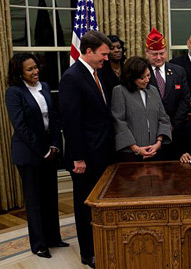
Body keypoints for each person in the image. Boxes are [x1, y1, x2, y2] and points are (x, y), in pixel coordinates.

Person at [5, 53, 69, 259]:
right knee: (35, 201)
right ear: (19, 73)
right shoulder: (14, 93)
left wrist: (54, 146)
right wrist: (43, 150)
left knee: (50, 197)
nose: (36, 72)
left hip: (50, 151)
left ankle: (54, 238)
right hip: (29, 155)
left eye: (36, 67)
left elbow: (55, 118)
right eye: (30, 69)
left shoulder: (45, 87)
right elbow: (21, 127)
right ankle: (39, 244)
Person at [59, 31, 114, 268]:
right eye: (103, 54)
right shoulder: (72, 77)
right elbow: (70, 121)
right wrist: (79, 158)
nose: (106, 59)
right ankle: (88, 253)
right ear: (89, 51)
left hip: (101, 153)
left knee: (98, 203)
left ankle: (101, 244)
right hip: (85, 158)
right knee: (85, 205)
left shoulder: (95, 74)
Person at [111, 56, 172, 161]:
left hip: (155, 151)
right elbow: (119, 122)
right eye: (142, 78)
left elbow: (163, 118)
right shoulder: (120, 91)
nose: (147, 80)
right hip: (130, 154)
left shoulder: (153, 90)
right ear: (131, 77)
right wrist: (136, 149)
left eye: (148, 75)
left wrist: (158, 142)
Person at [145, 27, 190, 160]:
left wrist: (173, 124)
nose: (159, 57)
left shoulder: (178, 71)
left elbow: (185, 99)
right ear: (146, 52)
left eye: (162, 53)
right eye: (154, 54)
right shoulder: (141, 72)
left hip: (176, 131)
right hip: (150, 133)